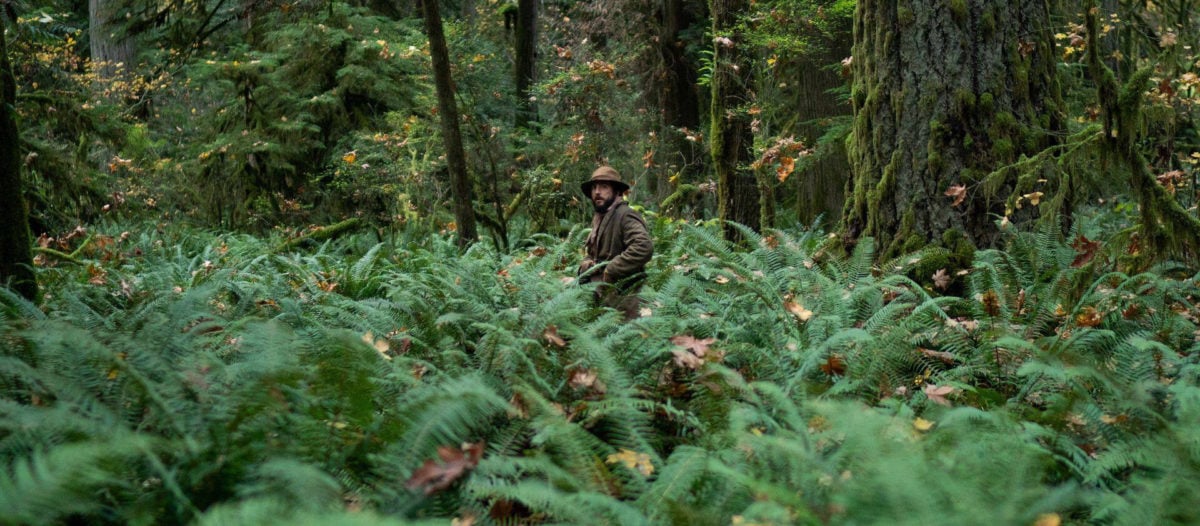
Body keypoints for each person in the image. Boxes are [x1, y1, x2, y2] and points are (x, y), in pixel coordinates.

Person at [577, 166, 653, 320]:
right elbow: (592, 254)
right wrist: (587, 264)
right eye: (594, 187)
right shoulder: (601, 217)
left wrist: (611, 269)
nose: (597, 191)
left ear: (617, 191)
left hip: (625, 298)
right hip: (603, 296)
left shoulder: (625, 215)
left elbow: (643, 246)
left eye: (604, 186)